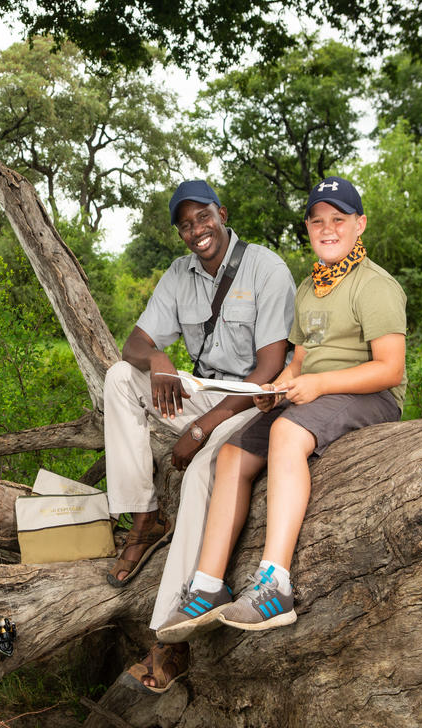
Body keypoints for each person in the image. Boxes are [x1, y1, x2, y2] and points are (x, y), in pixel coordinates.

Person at [152, 176, 406, 660]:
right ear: (308, 228)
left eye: (339, 220)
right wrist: (276, 387)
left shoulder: (374, 285)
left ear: (359, 225)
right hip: (314, 394)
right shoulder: (310, 287)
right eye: (318, 221)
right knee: (231, 453)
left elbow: (389, 368)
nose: (327, 229)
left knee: (287, 434)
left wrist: (317, 385)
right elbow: (299, 361)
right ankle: (208, 586)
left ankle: (275, 585)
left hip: (369, 395)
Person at [104, 180, 296, 692]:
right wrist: (159, 358)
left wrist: (200, 428)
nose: (196, 230)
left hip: (251, 401)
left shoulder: (266, 268)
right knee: (120, 377)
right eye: (185, 224)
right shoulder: (178, 274)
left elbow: (270, 368)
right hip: (202, 390)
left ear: (222, 214)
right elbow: (133, 344)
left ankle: (171, 637)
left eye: (203, 217)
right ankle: (143, 518)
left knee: (199, 477)